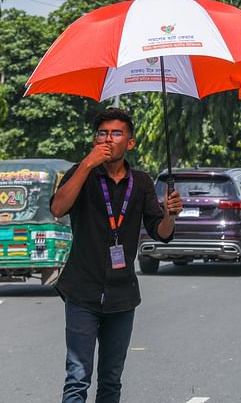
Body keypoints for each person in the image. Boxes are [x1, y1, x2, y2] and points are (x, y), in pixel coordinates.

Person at [50, 108, 183, 403]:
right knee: (77, 376)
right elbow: (58, 209)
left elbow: (161, 231)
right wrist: (86, 165)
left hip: (122, 295)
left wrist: (169, 214)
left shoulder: (142, 182)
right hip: (82, 292)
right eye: (102, 133)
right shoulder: (80, 173)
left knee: (111, 380)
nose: (108, 139)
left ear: (130, 143)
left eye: (116, 133)